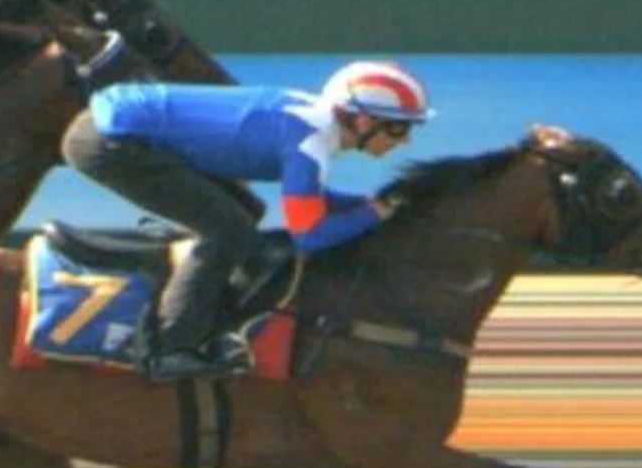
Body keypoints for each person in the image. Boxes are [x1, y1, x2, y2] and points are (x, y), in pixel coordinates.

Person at [60, 60, 433, 380]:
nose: (404, 142)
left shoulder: (316, 124)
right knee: (227, 231)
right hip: (111, 142)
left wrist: (366, 206)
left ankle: (192, 295)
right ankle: (168, 349)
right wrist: (370, 214)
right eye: (399, 128)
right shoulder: (311, 143)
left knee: (246, 211)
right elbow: (309, 235)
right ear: (362, 119)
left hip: (123, 130)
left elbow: (311, 199)